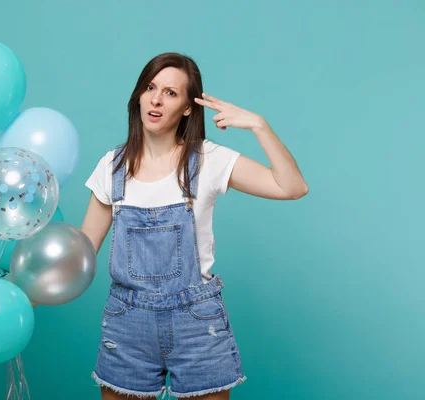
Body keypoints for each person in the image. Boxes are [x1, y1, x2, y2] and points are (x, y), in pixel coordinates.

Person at [81, 52, 308, 400]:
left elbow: (292, 187)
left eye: (171, 93)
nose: (156, 99)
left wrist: (258, 125)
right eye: (150, 87)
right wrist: (32, 291)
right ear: (139, 96)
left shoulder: (207, 159)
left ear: (188, 107)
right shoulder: (113, 165)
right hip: (127, 322)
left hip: (197, 323)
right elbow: (82, 252)